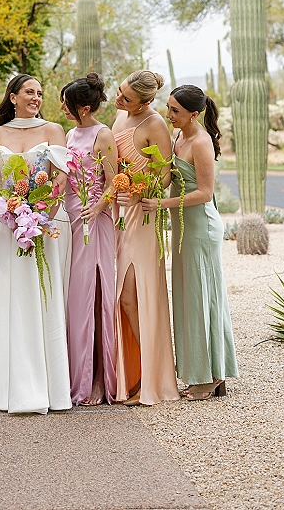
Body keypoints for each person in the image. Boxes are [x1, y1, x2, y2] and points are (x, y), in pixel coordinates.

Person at [0, 74, 72, 414]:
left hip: (41, 224)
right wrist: (5, 210)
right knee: (1, 297)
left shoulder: (53, 130)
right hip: (4, 225)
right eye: (29, 91)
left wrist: (42, 212)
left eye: (40, 93)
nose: (36, 97)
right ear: (12, 96)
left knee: (39, 296)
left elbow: (60, 176)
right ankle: (1, 383)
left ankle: (44, 386)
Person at [141, 85, 238, 400]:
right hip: (182, 229)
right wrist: (144, 184)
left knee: (201, 299)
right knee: (187, 298)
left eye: (175, 111)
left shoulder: (200, 141)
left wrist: (161, 206)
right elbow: (169, 177)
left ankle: (211, 376)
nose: (168, 115)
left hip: (201, 228)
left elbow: (205, 193)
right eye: (168, 108)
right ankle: (200, 372)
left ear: (194, 114)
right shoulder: (177, 138)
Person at [112, 70, 179, 406]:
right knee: (121, 299)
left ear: (147, 101)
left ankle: (152, 378)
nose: (118, 100)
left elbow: (164, 176)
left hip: (142, 217)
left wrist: (137, 191)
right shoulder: (120, 116)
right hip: (118, 215)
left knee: (132, 297)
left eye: (126, 98)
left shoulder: (156, 124)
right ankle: (133, 376)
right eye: (120, 92)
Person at [61, 73, 117, 405]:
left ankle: (97, 379)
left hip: (94, 221)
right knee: (75, 299)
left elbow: (114, 180)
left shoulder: (103, 133)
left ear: (83, 107)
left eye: (67, 103)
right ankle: (74, 373)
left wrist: (97, 208)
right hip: (70, 218)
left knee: (94, 295)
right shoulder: (69, 133)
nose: (63, 108)